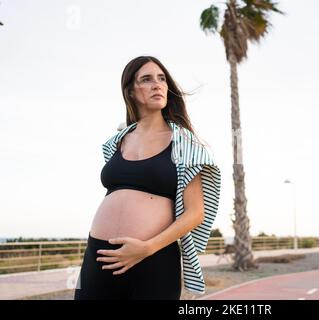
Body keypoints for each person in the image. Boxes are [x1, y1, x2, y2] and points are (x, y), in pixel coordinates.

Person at [74, 56, 221, 300]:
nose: (157, 85)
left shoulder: (184, 143)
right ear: (131, 91)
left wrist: (147, 248)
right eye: (147, 79)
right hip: (99, 254)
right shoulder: (117, 141)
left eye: (161, 79)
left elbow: (196, 213)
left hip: (153, 257)